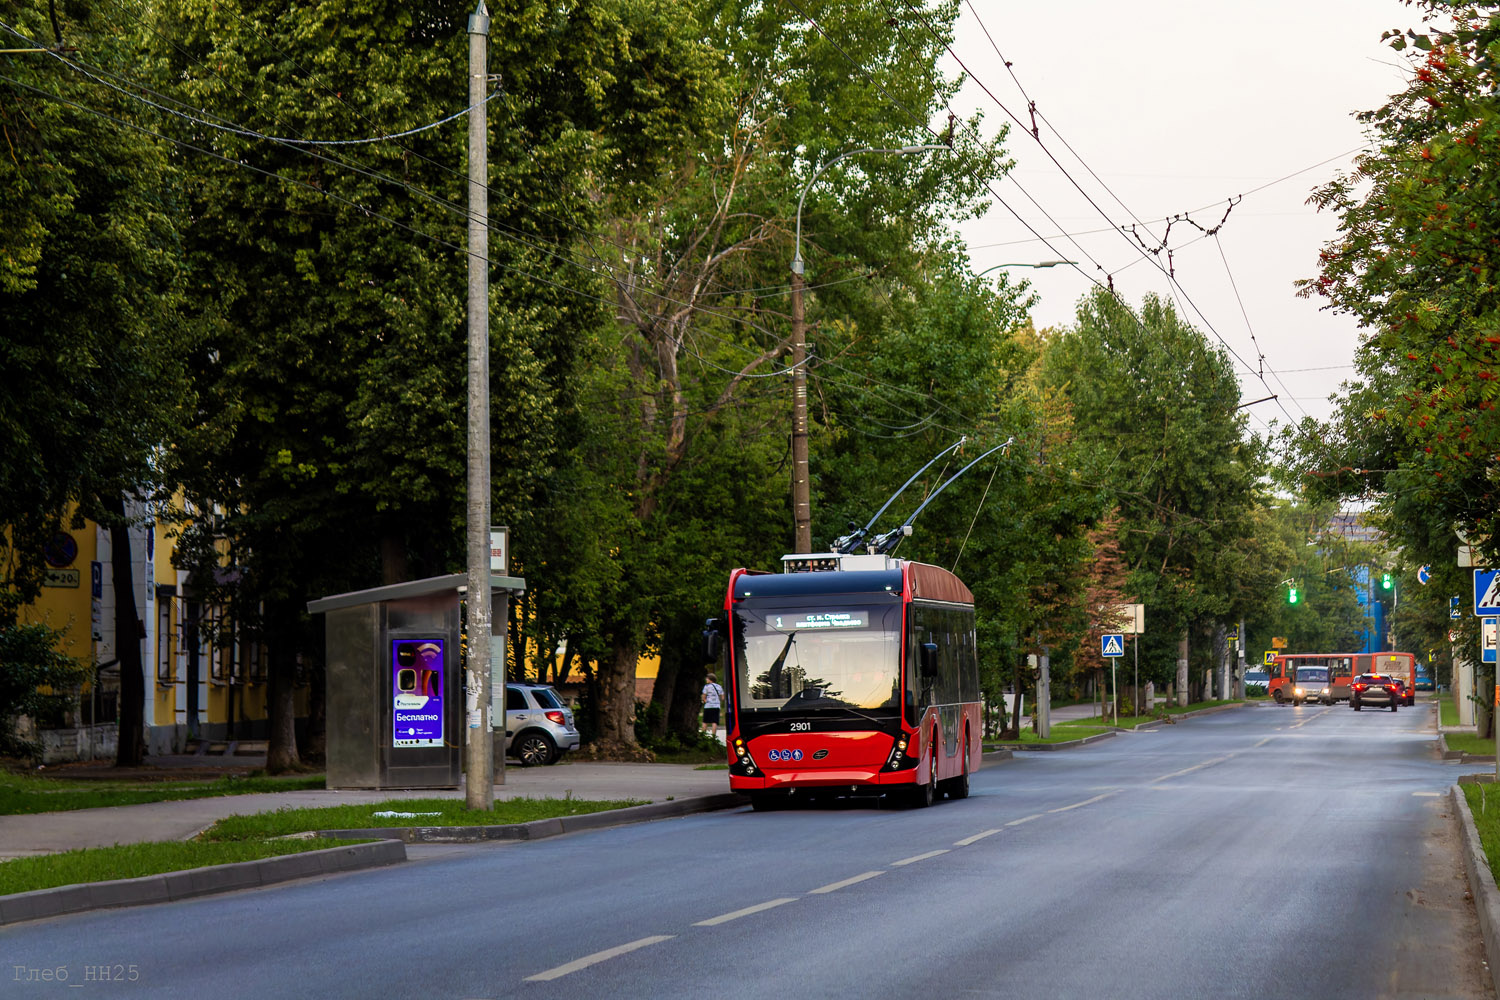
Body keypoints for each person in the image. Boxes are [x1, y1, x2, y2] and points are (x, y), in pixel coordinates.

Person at [702, 672, 725, 740]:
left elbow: (703, 696)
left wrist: (705, 701)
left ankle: (703, 736)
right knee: (714, 721)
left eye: (707, 678)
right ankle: (713, 737)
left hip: (708, 706)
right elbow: (722, 697)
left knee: (705, 721)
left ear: (710, 679)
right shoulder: (719, 686)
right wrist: (717, 701)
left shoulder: (706, 687)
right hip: (716, 706)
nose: (706, 680)